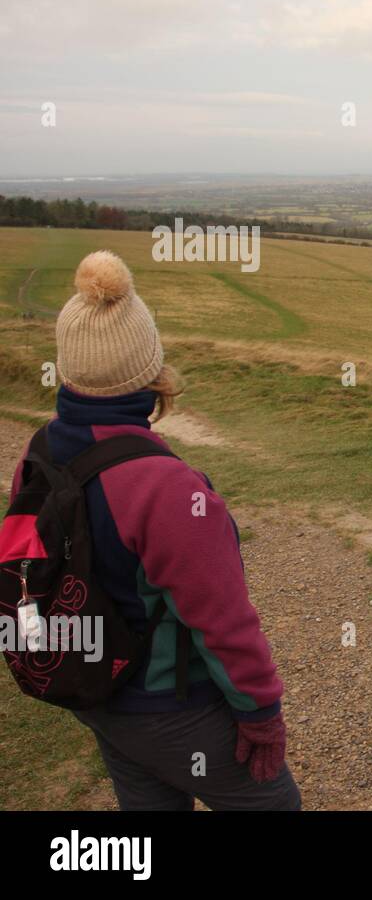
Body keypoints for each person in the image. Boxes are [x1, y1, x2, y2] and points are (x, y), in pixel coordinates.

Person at [8, 250, 300, 810]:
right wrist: (260, 713)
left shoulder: (36, 452)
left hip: (95, 689)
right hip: (171, 707)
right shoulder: (168, 488)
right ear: (150, 370)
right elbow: (222, 620)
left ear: (68, 370)